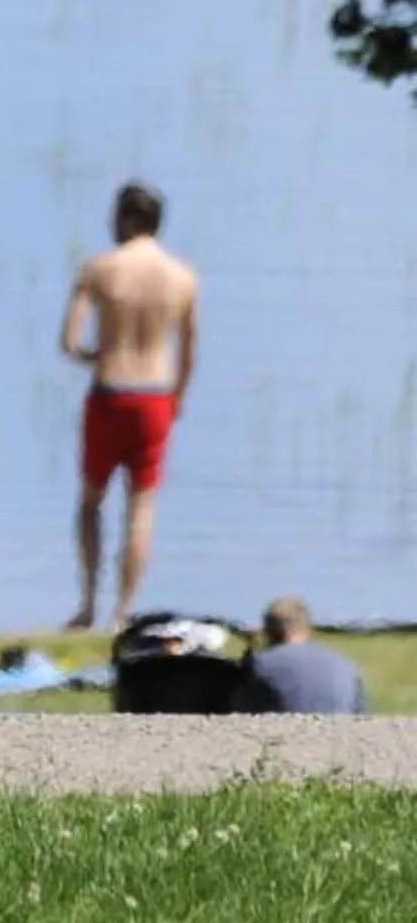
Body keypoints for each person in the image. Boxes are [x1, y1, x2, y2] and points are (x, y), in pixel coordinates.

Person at [60, 181, 201, 632]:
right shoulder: (182, 275)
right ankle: (123, 611)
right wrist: (177, 396)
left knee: (91, 501)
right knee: (141, 505)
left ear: (126, 219)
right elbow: (190, 350)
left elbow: (70, 341)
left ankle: (87, 603)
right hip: (156, 393)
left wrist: (96, 356)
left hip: (110, 389)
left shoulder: (100, 268)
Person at [236, 596, 369, 715]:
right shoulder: (345, 664)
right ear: (306, 626)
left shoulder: (260, 665)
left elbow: (241, 711)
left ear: (267, 630)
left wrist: (250, 652)